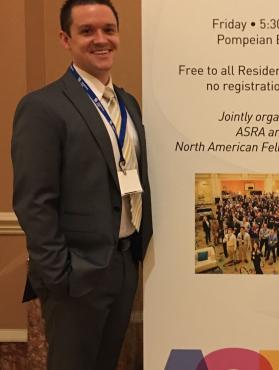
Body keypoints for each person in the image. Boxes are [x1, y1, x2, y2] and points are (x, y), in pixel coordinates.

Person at [11, 1, 153, 369]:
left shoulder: (127, 104)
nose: (101, 39)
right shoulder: (43, 107)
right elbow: (34, 202)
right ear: (65, 39)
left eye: (108, 29)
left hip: (123, 265)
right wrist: (60, 276)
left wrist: (135, 254)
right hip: (76, 275)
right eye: (87, 31)